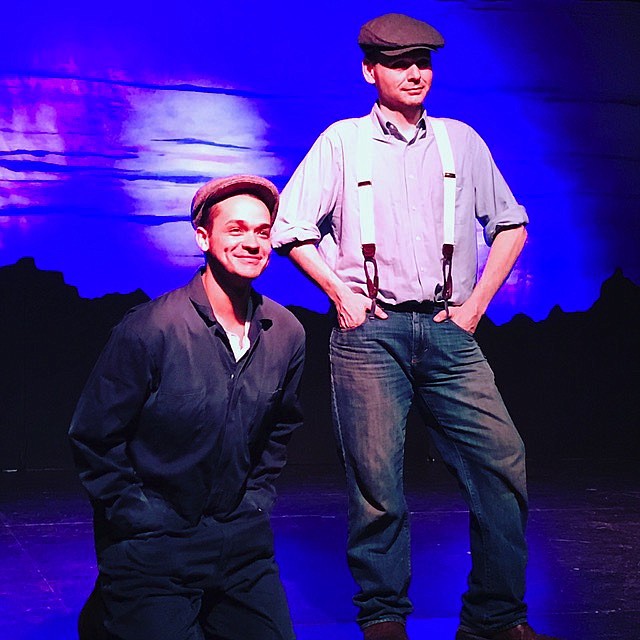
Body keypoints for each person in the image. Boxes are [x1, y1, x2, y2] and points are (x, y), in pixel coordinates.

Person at [271, 12, 561, 640]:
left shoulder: (460, 141)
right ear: (369, 70)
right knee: (377, 482)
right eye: (399, 63)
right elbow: (289, 227)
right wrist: (339, 293)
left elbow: (510, 224)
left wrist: (477, 304)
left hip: (449, 332)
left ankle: (496, 615)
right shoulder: (343, 142)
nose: (414, 73)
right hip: (370, 336)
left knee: (501, 462)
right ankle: (383, 618)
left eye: (422, 62)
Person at [69, 175, 305, 640]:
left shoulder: (287, 332)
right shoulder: (152, 328)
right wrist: (137, 517)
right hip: (155, 545)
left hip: (241, 546)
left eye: (262, 231)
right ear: (203, 236)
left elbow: (280, 431)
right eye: (236, 229)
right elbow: (94, 436)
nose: (252, 242)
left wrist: (255, 503)